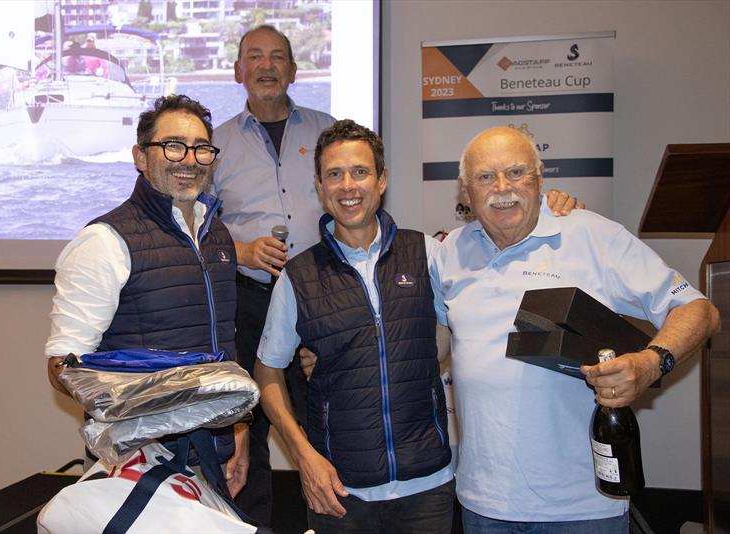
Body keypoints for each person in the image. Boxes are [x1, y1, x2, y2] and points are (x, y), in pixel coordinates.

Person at [256, 120, 582, 533]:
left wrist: (553, 209)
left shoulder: (430, 253)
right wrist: (303, 456)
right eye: (334, 175)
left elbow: (500, 251)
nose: (348, 186)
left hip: (427, 489)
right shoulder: (298, 277)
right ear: (319, 187)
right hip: (339, 492)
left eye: (360, 171)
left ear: (382, 179)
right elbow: (267, 370)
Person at [430, 126, 720, 532]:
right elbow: (435, 337)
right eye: (484, 177)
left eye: (516, 172)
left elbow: (697, 308)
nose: (502, 187)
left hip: (581, 506)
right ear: (465, 191)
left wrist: (651, 363)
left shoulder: (591, 236)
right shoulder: (448, 253)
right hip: (483, 504)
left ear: (539, 178)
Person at [45, 94, 249, 498]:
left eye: (201, 149)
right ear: (141, 156)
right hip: (137, 466)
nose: (189, 160)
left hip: (213, 455)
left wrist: (237, 426)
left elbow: (222, 346)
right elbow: (61, 367)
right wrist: (143, 414)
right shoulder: (103, 241)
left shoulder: (218, 236)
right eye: (173, 145)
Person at [210, 24, 335, 525]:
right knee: (247, 426)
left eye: (277, 57)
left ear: (293, 70)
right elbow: (192, 228)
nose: (266, 66)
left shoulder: (329, 132)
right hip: (249, 300)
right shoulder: (214, 145)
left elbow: (352, 207)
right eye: (255, 57)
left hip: (318, 297)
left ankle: (327, 522)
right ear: (239, 71)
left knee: (322, 418)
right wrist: (238, 249)